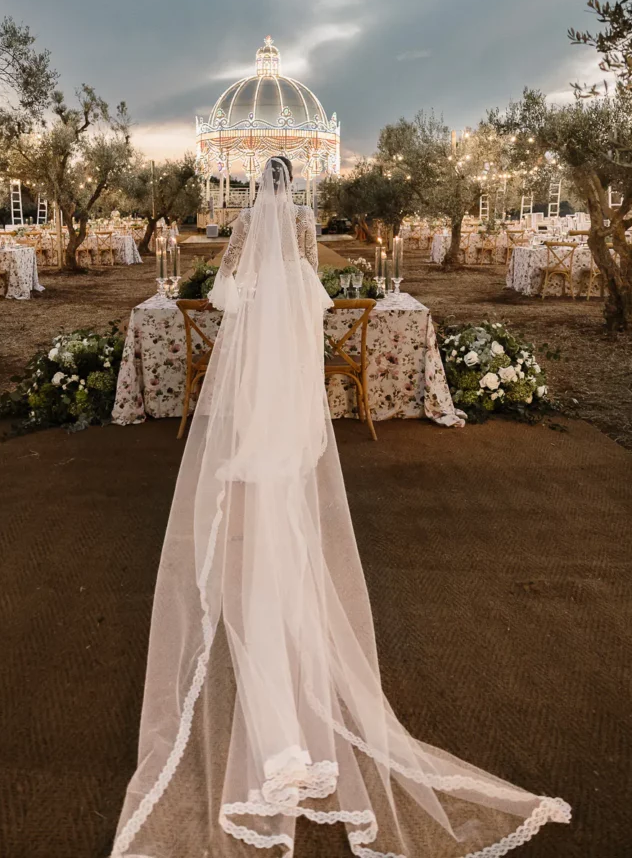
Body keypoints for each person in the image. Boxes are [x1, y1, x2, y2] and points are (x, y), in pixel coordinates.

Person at [109, 157, 570, 857]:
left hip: (254, 399)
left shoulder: (245, 245)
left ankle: (270, 660)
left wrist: (248, 277)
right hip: (292, 400)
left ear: (253, 194)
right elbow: (316, 304)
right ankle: (292, 625)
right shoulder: (302, 241)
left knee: (255, 505)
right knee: (291, 507)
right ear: (295, 191)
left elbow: (225, 298)